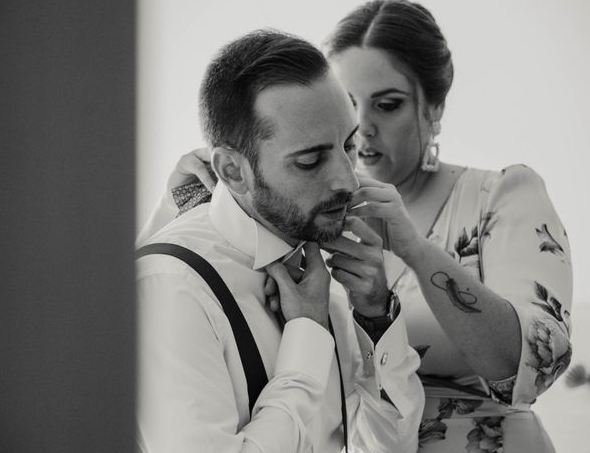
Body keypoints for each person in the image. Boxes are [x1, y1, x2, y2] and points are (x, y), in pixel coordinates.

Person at [142, 0, 573, 452]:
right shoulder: (297, 253)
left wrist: (390, 291)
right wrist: (181, 207)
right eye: (311, 158)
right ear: (233, 169)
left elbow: (531, 364)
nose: (364, 133)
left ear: (434, 107)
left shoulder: (493, 199)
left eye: (386, 105)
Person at [136, 29, 424, 453]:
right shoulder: (170, 289)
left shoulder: (329, 259)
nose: (347, 180)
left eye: (349, 146)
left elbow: (388, 449)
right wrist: (305, 340)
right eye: (310, 161)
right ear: (233, 171)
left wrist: (376, 320)